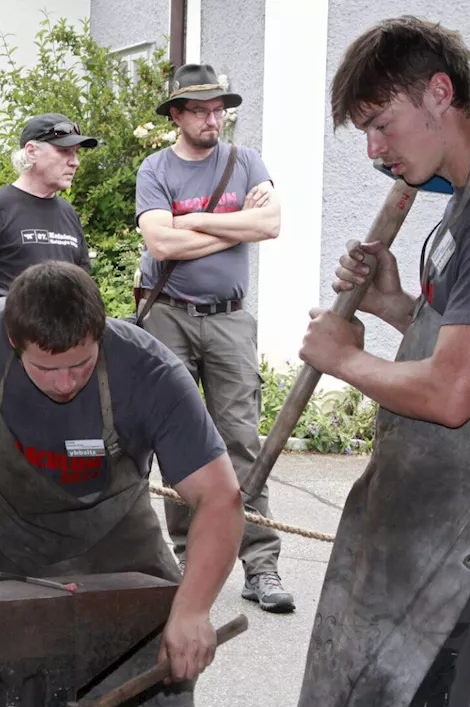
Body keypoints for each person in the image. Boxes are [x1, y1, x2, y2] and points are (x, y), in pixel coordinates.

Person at [294, 16, 470, 707]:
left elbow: (453, 393)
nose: (374, 149)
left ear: (440, 93)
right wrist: (396, 306)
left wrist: (346, 358)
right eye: (364, 132)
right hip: (433, 515)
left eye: (383, 124)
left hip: (463, 526)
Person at [0, 261, 244, 707]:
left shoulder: (151, 371)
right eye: (47, 368)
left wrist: (192, 609)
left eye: (80, 364)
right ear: (13, 341)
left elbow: (220, 499)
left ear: (100, 334)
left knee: (161, 691)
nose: (65, 383)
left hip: (119, 552)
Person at [134, 63, 292, 613]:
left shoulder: (246, 161)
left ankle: (261, 564)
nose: (213, 118)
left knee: (241, 439)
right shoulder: (155, 168)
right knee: (175, 439)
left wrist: (191, 224)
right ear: (176, 115)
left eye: (219, 108)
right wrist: (226, 226)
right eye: (199, 109)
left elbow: (270, 224)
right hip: (168, 315)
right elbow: (159, 245)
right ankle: (183, 557)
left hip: (230, 318)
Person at [0, 113, 97, 309]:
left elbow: (82, 290)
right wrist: (6, 323)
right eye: (64, 151)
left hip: (59, 337)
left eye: (76, 153)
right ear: (31, 151)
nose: (75, 162)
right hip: (6, 336)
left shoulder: (68, 212)